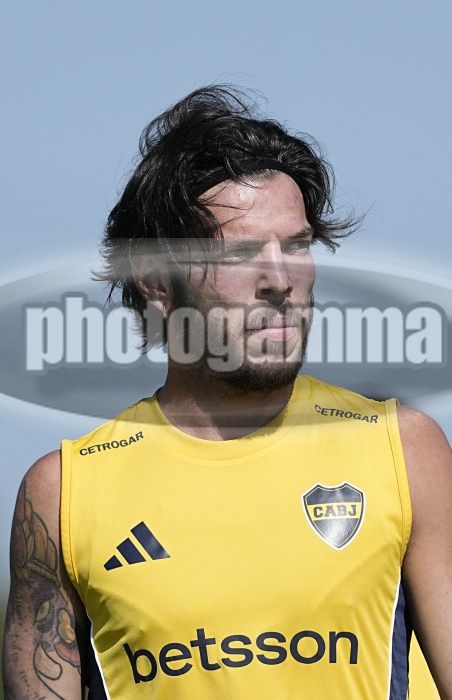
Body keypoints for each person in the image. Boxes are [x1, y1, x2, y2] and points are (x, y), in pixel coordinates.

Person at [3, 85, 452, 700]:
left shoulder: (404, 450)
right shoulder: (61, 494)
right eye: (240, 253)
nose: (281, 280)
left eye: (296, 246)